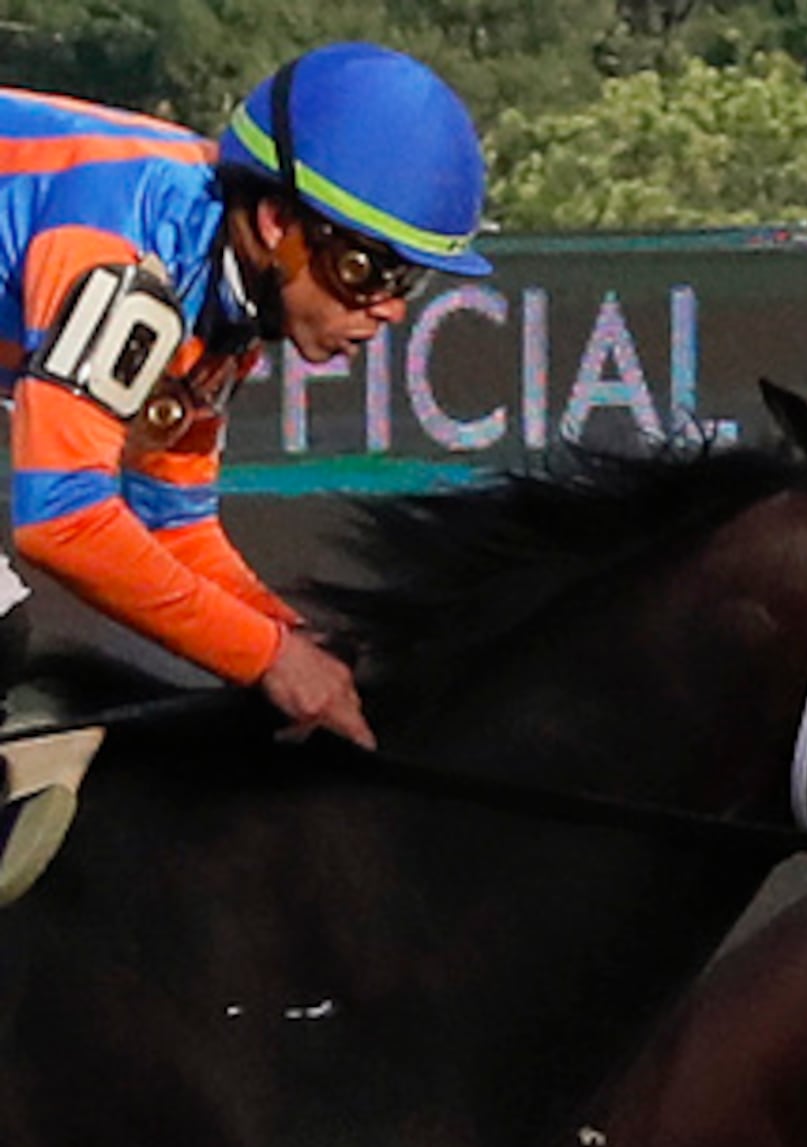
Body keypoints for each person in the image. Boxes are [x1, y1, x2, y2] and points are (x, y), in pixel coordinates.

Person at [0, 44, 489, 754]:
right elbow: (62, 522)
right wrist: (269, 658)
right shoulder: (126, 250)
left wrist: (290, 635)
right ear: (276, 223)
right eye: (367, 269)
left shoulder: (225, 290)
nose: (389, 309)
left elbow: (172, 524)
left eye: (408, 282)